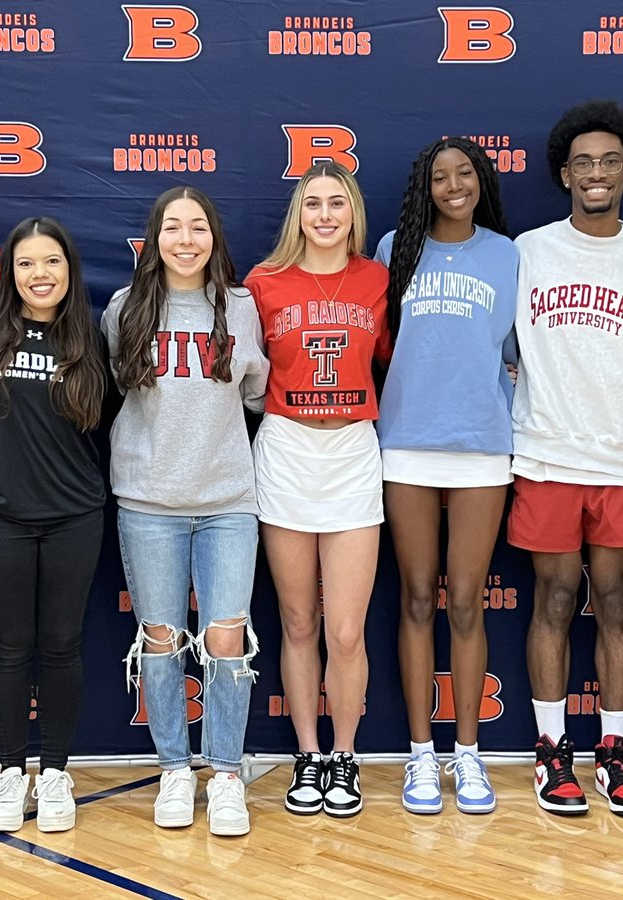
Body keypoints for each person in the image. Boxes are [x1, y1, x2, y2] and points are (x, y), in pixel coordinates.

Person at [103, 186, 268, 837]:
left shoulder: (241, 308)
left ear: (213, 237)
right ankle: (175, 769)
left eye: (198, 226)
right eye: (173, 227)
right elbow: (118, 390)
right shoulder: (126, 310)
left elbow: (254, 393)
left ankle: (226, 772)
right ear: (155, 238)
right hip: (149, 501)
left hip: (228, 500)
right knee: (162, 640)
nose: (186, 239)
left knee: (227, 639)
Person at [509, 100, 623, 817]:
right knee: (556, 599)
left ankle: (615, 753)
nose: (595, 174)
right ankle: (549, 752)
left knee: (616, 603)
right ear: (563, 174)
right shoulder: (527, 250)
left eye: (608, 161)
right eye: (582, 163)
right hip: (546, 453)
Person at [375, 138, 517, 815]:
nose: (454, 185)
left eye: (465, 173)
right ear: (423, 188)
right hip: (405, 445)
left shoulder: (505, 254)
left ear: (481, 181)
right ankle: (420, 756)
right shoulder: (392, 250)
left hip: (482, 448)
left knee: (465, 600)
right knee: (414, 599)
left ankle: (468, 754)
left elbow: (518, 351)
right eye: (440, 176)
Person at [245, 162, 389, 818]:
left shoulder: (377, 279)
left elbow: (396, 362)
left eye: (337, 203)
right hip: (286, 449)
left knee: (348, 629)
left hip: (353, 450)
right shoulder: (263, 283)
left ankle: (346, 755)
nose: (325, 215)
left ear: (353, 212)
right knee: (299, 621)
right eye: (313, 204)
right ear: (297, 214)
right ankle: (307, 754)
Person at [0, 218, 111, 833]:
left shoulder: (93, 338)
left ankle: (53, 773)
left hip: (75, 515)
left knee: (61, 647)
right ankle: (8, 772)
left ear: (69, 269)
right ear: (9, 271)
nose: (40, 274)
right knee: (9, 647)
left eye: (52, 261)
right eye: (26, 263)